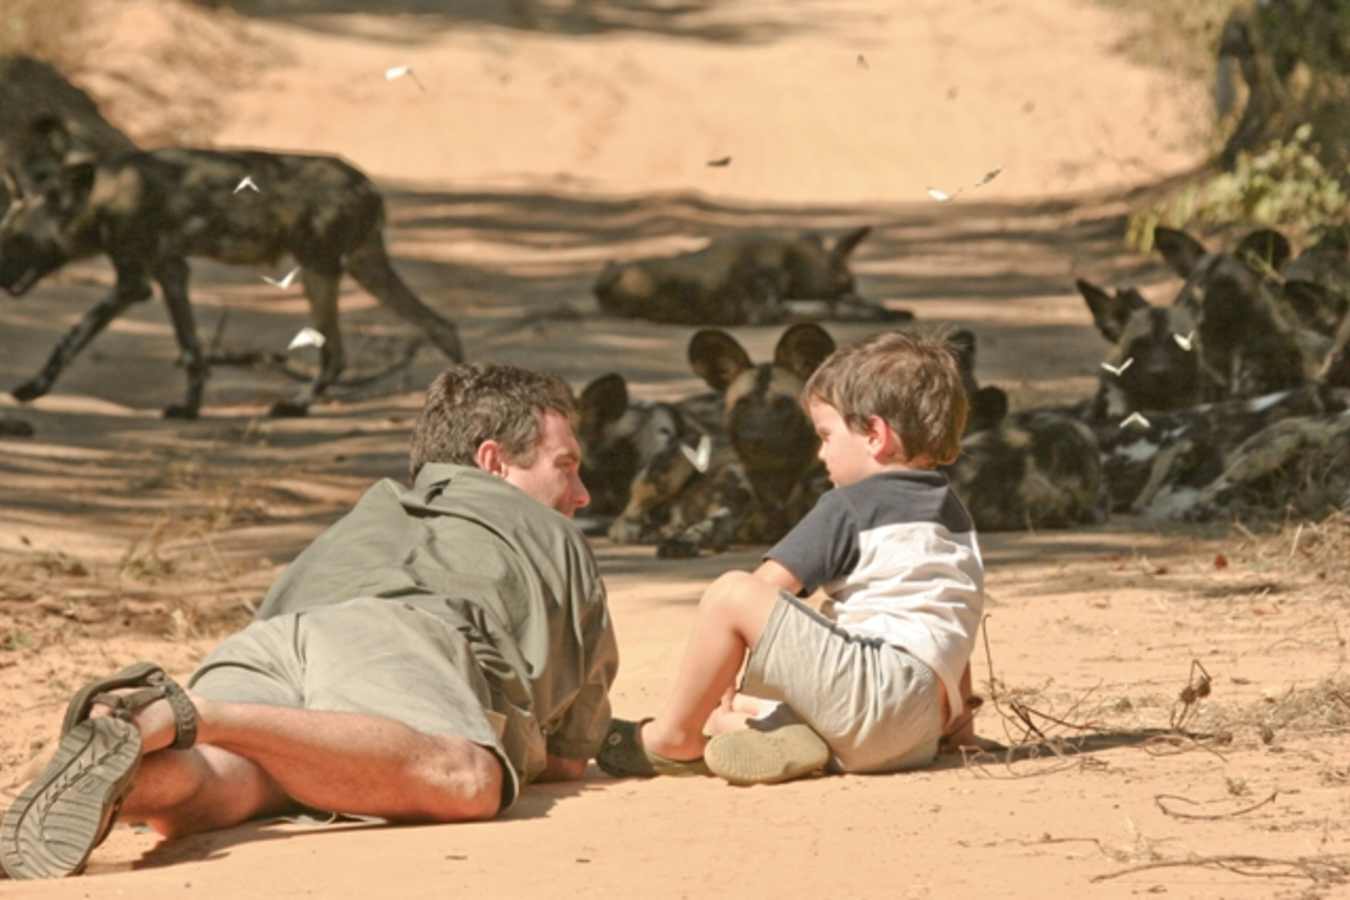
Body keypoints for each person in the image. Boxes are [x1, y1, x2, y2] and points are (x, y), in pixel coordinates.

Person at [1, 363, 618, 880]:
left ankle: (120, 755)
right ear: (494, 463)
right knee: (467, 778)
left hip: (270, 641)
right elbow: (566, 759)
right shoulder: (548, 533)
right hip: (399, 636)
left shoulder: (367, 517)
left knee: (236, 781)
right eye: (566, 466)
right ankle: (195, 714)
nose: (582, 493)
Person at [597, 330, 983, 785]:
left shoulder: (852, 504)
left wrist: (723, 679)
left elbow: (763, 590)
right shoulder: (953, 516)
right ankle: (781, 737)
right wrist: (960, 734)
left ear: (875, 435)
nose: (820, 452)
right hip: (916, 734)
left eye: (825, 435)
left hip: (868, 696)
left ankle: (673, 738)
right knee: (739, 714)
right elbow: (948, 630)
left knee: (730, 593)